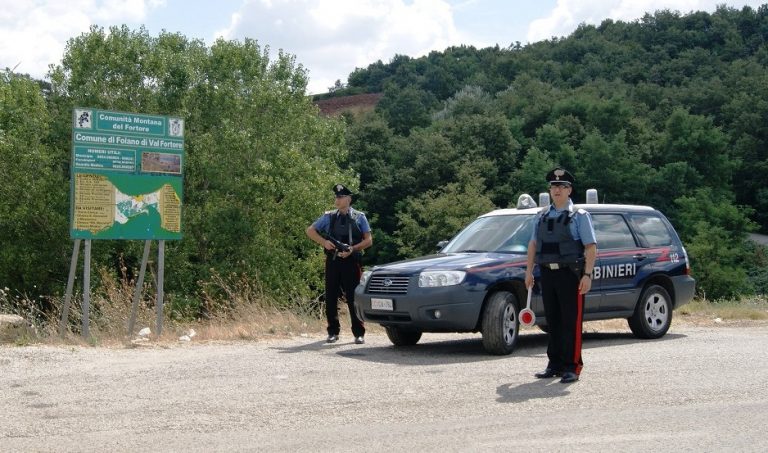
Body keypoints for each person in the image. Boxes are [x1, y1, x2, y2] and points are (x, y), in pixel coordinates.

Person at [524, 168, 597, 384]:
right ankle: (554, 364)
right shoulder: (541, 216)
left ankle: (572, 366)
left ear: (569, 190)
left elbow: (590, 247)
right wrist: (528, 271)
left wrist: (587, 275)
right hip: (547, 273)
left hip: (570, 274)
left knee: (570, 321)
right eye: (554, 186)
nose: (557, 190)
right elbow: (533, 244)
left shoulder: (579, 216)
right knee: (552, 320)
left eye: (562, 186)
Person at [306, 184, 373, 344]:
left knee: (353, 297)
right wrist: (324, 242)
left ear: (348, 199)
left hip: (352, 261)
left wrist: (353, 249)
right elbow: (310, 231)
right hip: (333, 260)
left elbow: (369, 240)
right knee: (331, 297)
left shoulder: (359, 217)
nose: (337, 199)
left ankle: (359, 333)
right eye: (336, 197)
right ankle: (333, 332)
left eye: (340, 197)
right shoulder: (328, 217)